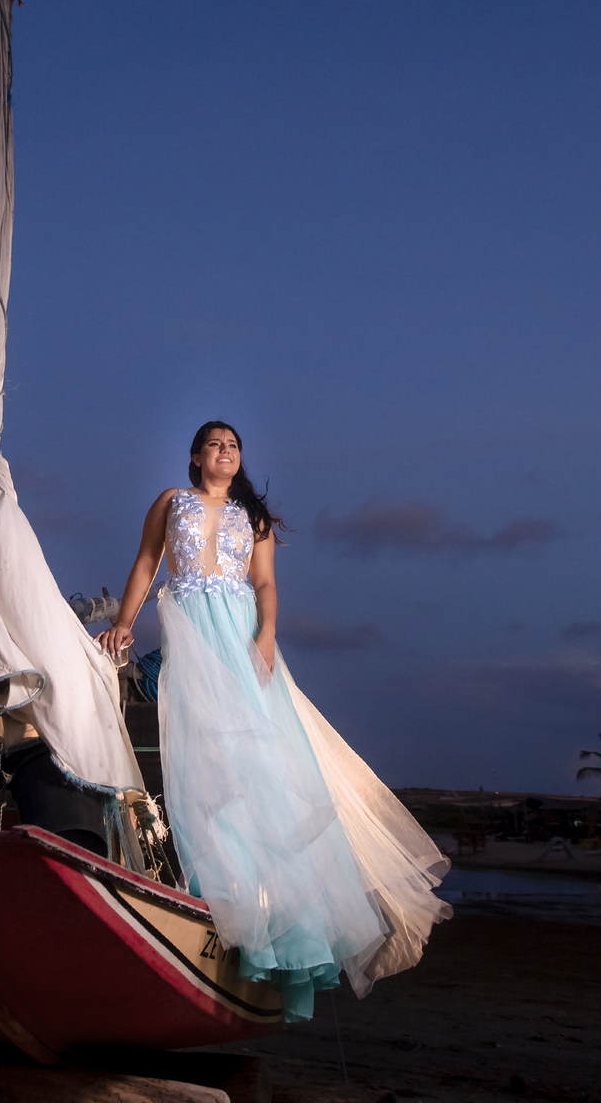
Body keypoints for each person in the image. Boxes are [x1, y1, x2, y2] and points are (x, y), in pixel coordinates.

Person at [102, 420, 451, 1023]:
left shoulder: (252, 519)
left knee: (262, 762)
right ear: (195, 456)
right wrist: (127, 622)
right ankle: (219, 895)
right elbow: (145, 565)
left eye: (233, 446)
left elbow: (264, 583)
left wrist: (266, 636)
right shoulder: (170, 502)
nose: (225, 452)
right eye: (215, 444)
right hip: (190, 630)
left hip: (240, 636)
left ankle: (277, 915)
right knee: (204, 756)